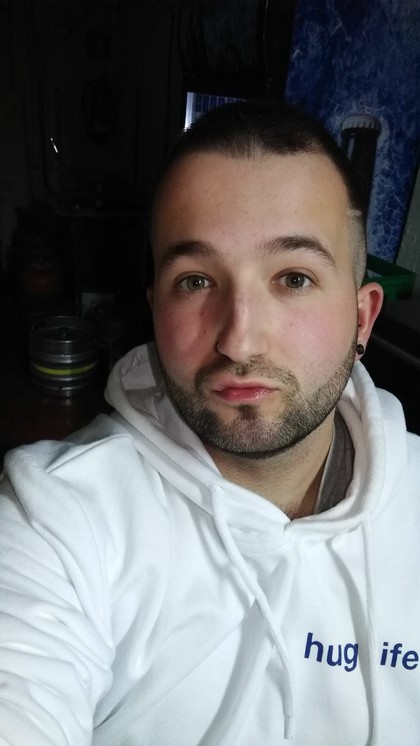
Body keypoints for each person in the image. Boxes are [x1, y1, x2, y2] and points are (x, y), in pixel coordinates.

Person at [0, 99, 418, 746]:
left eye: (294, 278)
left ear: (362, 318)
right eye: (196, 281)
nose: (239, 340)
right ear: (154, 309)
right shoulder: (54, 516)